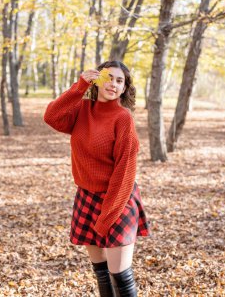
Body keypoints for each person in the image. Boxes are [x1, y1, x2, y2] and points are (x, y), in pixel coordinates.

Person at [44, 60, 151, 297]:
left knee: (120, 275)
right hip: (86, 197)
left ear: (124, 88)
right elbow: (51, 116)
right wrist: (80, 86)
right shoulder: (82, 110)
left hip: (118, 200)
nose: (113, 84)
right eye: (109, 77)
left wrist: (107, 216)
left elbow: (125, 172)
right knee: (100, 271)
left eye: (119, 80)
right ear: (97, 80)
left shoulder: (123, 119)